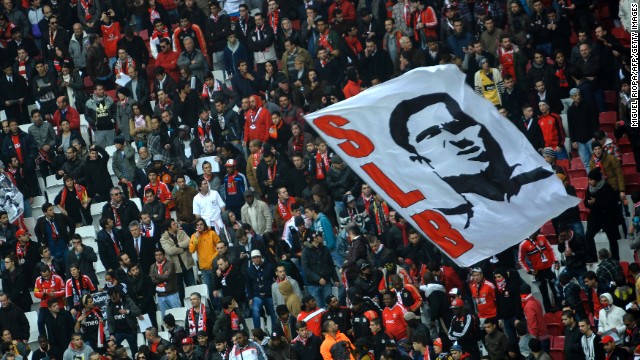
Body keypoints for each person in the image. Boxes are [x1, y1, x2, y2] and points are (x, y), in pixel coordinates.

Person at [389, 92, 553, 229]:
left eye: (459, 124)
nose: (458, 139)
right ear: (416, 157)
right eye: (433, 135)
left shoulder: (538, 176)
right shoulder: (444, 219)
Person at [518, 231, 559, 311]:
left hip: (549, 268)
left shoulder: (542, 237)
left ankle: (559, 306)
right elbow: (520, 260)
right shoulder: (523, 244)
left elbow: (550, 249)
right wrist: (529, 271)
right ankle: (548, 310)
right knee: (544, 292)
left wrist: (556, 261)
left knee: (555, 288)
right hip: (538, 272)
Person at [302, 232, 339, 308]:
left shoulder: (325, 249)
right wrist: (318, 279)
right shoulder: (306, 251)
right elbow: (306, 269)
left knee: (330, 305)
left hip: (326, 282)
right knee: (317, 307)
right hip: (313, 285)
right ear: (315, 238)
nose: (322, 237)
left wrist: (336, 279)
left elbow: (331, 265)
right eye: (320, 236)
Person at [246, 250, 277, 330]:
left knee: (274, 312)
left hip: (269, 293)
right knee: (255, 310)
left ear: (261, 257)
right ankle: (258, 332)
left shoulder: (269, 266)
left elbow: (276, 278)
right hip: (257, 294)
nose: (256, 259)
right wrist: (250, 297)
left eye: (258, 257)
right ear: (251, 259)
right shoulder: (249, 269)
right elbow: (248, 284)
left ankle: (275, 332)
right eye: (254, 257)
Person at [189, 218, 220, 296]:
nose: (199, 226)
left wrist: (215, 259)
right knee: (209, 290)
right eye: (197, 225)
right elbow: (191, 250)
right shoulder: (194, 236)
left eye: (201, 224)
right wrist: (196, 238)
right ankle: (214, 308)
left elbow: (219, 246)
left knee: (218, 288)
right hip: (204, 268)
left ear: (204, 224)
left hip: (214, 265)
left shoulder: (212, 233)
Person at [106, 287, 141, 354]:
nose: (113, 299)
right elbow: (109, 320)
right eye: (111, 297)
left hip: (130, 330)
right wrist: (111, 333)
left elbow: (137, 312)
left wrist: (127, 312)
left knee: (134, 350)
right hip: (118, 332)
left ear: (118, 294)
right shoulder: (110, 305)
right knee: (114, 350)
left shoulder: (127, 300)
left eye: (114, 297)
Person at [150, 248, 182, 317]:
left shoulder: (170, 264)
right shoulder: (152, 266)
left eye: (160, 255)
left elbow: (167, 277)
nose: (158, 257)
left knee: (178, 315)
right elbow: (152, 280)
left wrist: (156, 276)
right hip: (160, 295)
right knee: (165, 317)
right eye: (156, 255)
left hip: (172, 293)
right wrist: (163, 276)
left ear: (164, 255)